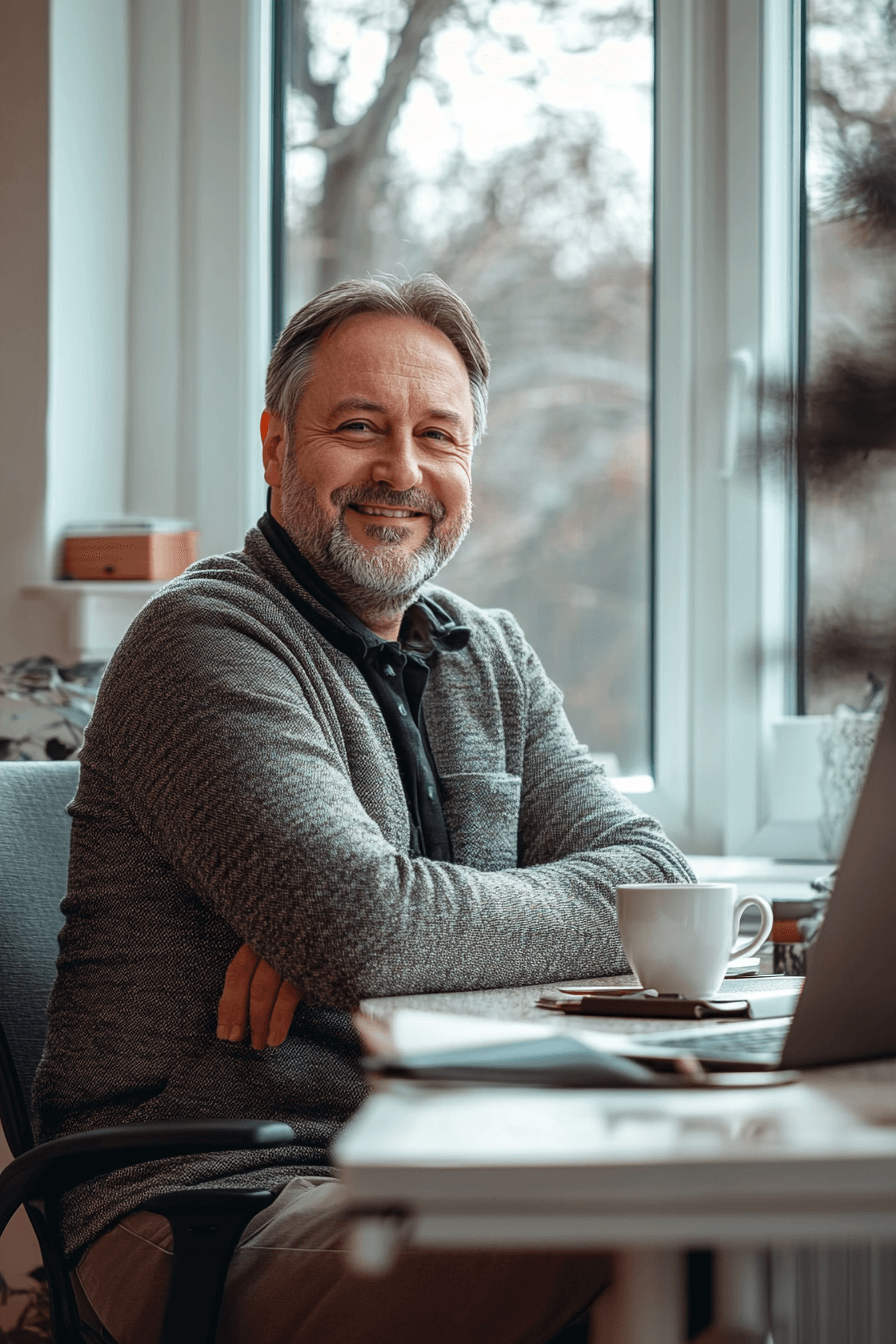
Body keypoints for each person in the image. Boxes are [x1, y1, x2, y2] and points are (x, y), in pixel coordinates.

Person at [34, 274, 694, 1344]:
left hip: (427, 1147)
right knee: (641, 1216)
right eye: (358, 427)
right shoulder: (200, 644)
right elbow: (360, 924)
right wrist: (364, 930)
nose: (402, 470)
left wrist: (387, 930)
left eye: (438, 435)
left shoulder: (491, 654)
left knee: (704, 1218)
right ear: (274, 444)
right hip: (215, 1192)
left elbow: (654, 880)